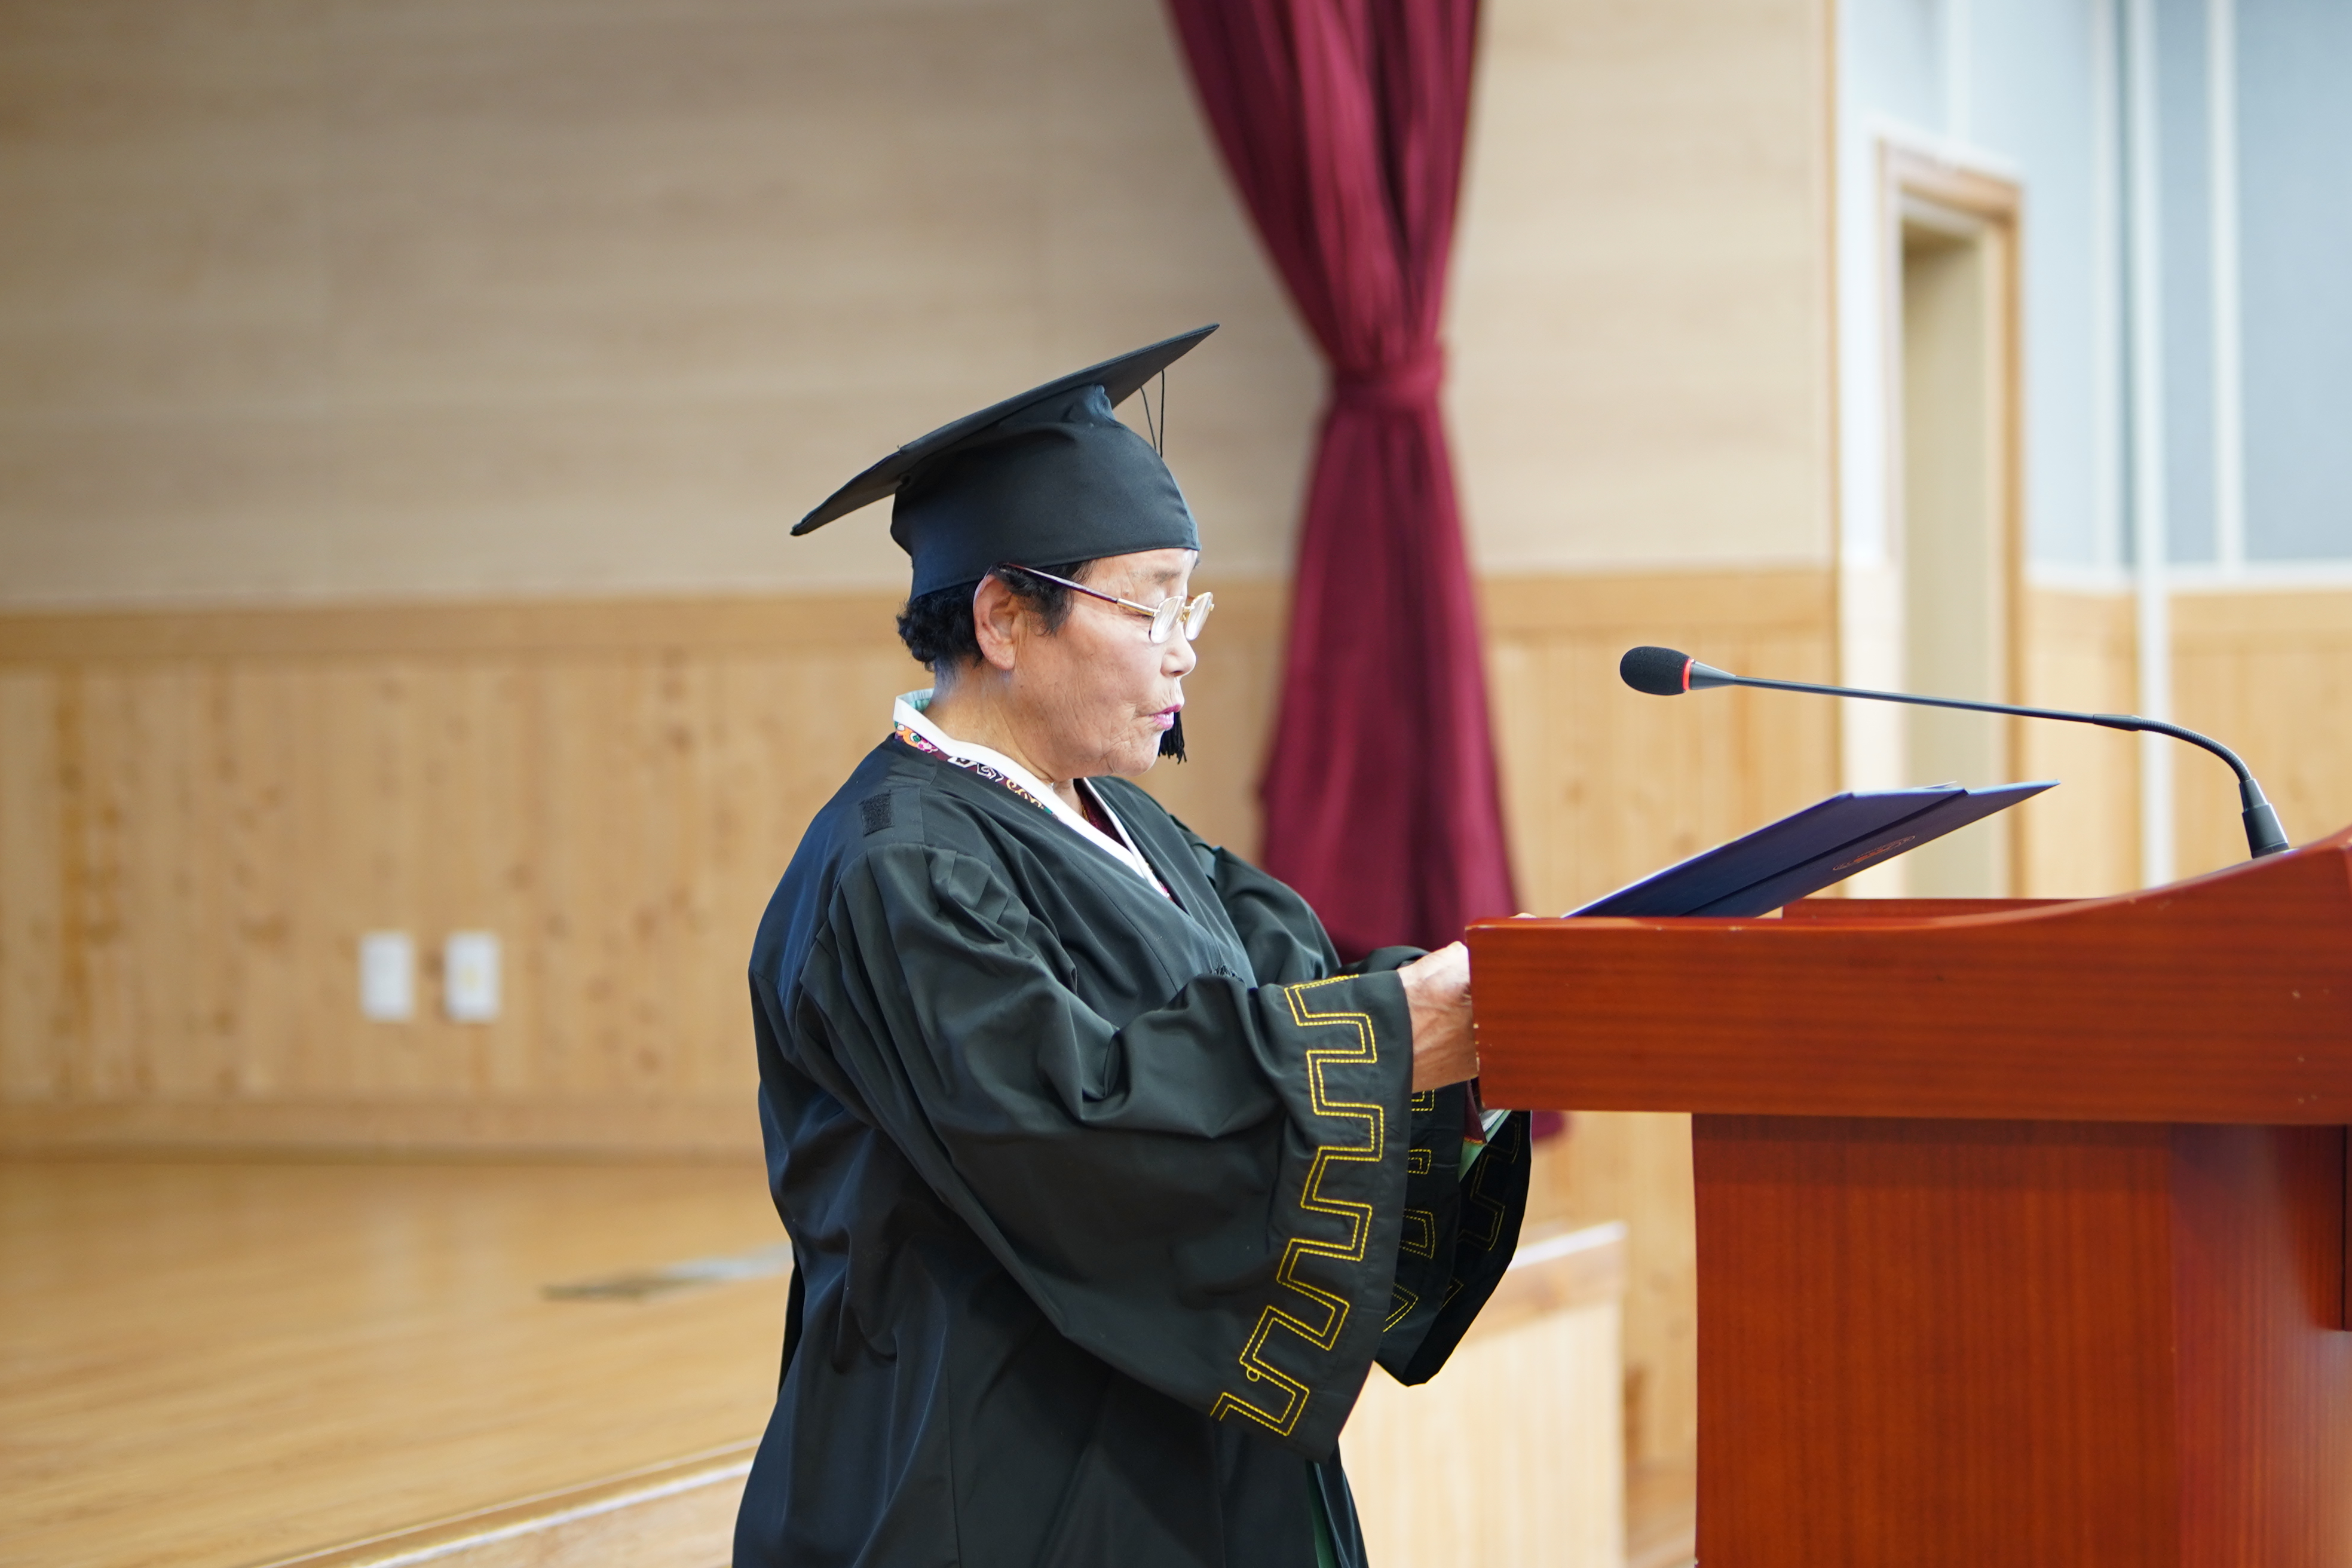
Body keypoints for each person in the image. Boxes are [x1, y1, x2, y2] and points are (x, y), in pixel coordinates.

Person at [734, 326, 1530, 1568]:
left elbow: (1292, 992)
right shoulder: (900, 869)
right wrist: (1388, 1039)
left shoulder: (1126, 824)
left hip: (1165, 1453)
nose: (1184, 644)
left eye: (1187, 600)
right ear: (1006, 616)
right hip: (991, 1468)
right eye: (1149, 601)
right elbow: (1072, 1125)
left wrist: (1470, 1016)